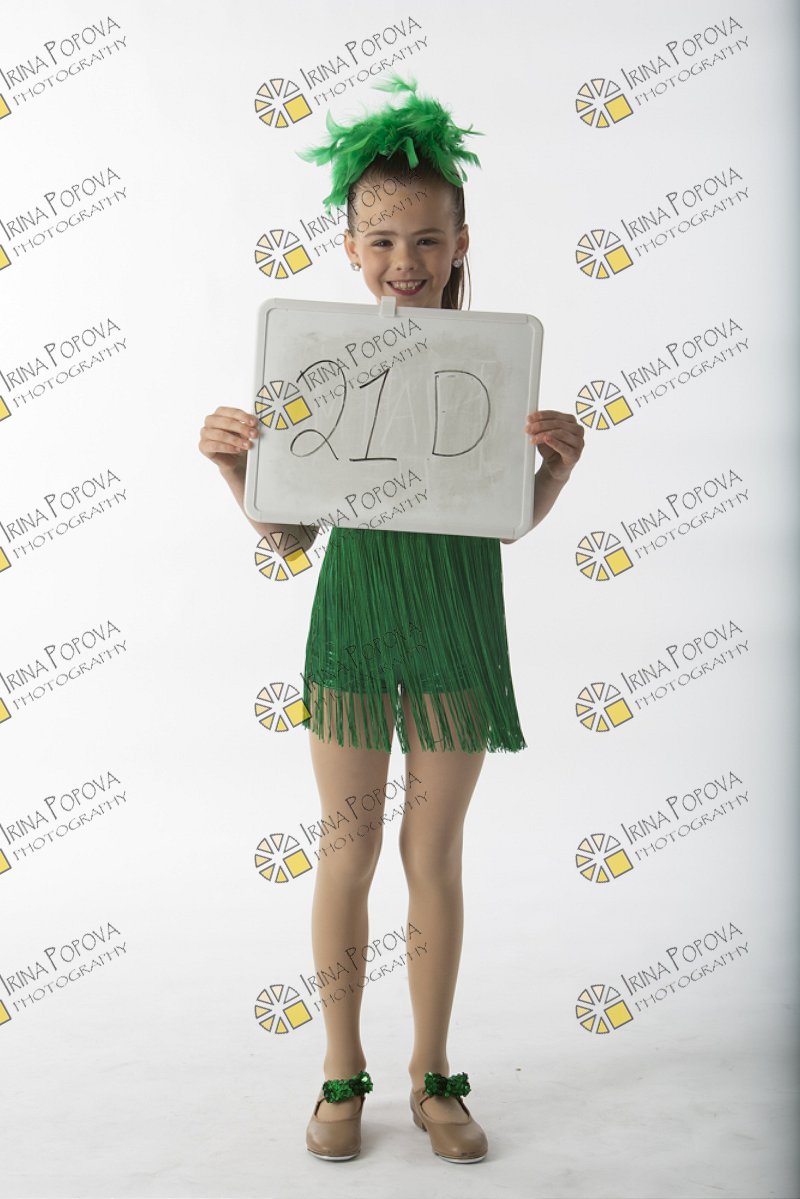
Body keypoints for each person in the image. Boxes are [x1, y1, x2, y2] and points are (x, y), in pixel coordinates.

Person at [198, 73, 584, 1164]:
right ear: (349, 248)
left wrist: (555, 471)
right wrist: (235, 469)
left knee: (433, 851)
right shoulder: (320, 363)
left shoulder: (491, 362)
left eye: (424, 239)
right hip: (356, 621)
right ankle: (340, 1067)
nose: (402, 260)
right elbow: (289, 537)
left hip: (457, 619)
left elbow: (501, 519)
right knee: (349, 847)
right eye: (380, 240)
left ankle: (433, 1071)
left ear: (460, 244)